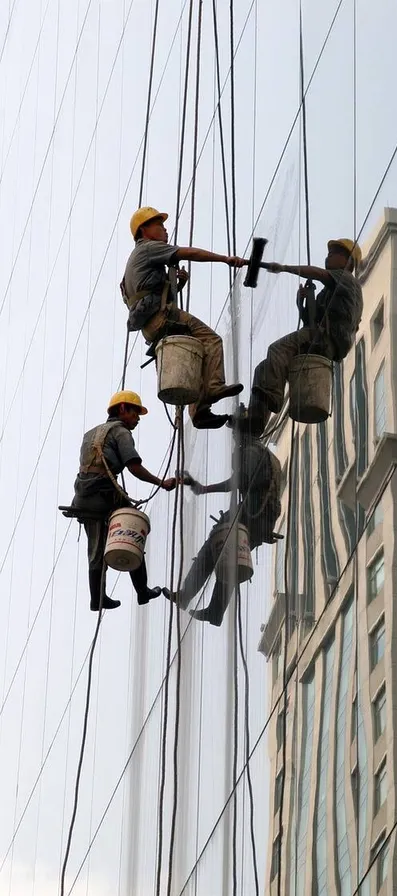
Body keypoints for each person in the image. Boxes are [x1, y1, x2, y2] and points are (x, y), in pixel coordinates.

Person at [120, 206, 244, 429]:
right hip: (162, 318)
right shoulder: (148, 249)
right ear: (144, 230)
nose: (165, 231)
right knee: (211, 340)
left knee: (196, 351)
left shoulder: (133, 263)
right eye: (160, 225)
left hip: (151, 326)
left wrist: (179, 284)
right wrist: (225, 259)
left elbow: (150, 294)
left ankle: (199, 412)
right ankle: (214, 387)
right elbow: (190, 253)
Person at [230, 238, 363, 435]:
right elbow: (311, 321)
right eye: (330, 252)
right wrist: (302, 303)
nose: (329, 256)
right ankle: (256, 419)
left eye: (335, 253)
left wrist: (284, 268)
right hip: (319, 338)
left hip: (327, 341)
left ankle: (273, 397)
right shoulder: (328, 291)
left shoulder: (347, 280)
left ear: (348, 262)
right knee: (264, 368)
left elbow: (318, 274)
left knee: (277, 350)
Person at [71, 390, 177, 611]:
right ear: (122, 409)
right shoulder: (121, 432)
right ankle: (142, 591)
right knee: (133, 526)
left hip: (82, 499)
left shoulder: (90, 433)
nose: (137, 419)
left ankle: (97, 598)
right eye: (135, 413)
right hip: (103, 496)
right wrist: (161, 483)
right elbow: (134, 467)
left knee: (96, 549)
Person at [163, 437, 282, 626]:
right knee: (231, 558)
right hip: (263, 515)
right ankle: (213, 611)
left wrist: (204, 489)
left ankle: (188, 596)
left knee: (215, 548)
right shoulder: (268, 456)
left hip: (254, 512)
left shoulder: (251, 450)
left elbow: (241, 480)